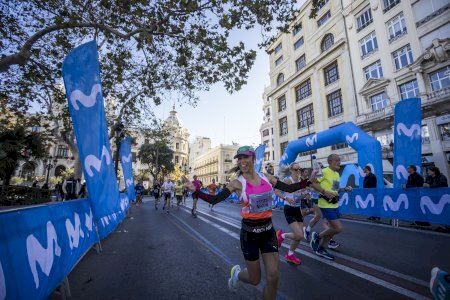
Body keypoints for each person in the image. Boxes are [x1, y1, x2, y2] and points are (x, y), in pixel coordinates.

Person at [185, 146, 319, 300]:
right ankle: (237, 274)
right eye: (239, 158)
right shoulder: (237, 183)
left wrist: (308, 181)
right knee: (255, 279)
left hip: (268, 232)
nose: (242, 161)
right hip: (250, 235)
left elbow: (288, 187)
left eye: (245, 157)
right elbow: (214, 199)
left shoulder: (266, 177)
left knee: (273, 277)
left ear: (253, 158)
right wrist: (194, 191)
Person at [309, 154, 352, 260]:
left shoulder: (337, 174)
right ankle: (317, 236)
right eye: (336, 160)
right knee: (338, 228)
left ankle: (321, 249)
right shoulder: (323, 172)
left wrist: (345, 189)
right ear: (330, 162)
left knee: (333, 229)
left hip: (335, 204)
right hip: (325, 204)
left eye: (339, 160)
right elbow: (312, 184)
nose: (339, 162)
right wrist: (324, 191)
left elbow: (335, 189)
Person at [276, 163, 314, 265]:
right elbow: (277, 191)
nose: (298, 171)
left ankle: (290, 254)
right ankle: (282, 236)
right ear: (291, 170)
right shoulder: (288, 180)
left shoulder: (301, 181)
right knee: (299, 234)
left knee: (299, 236)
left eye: (299, 169)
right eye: (296, 169)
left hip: (297, 209)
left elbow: (300, 196)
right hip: (289, 209)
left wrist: (306, 195)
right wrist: (285, 198)